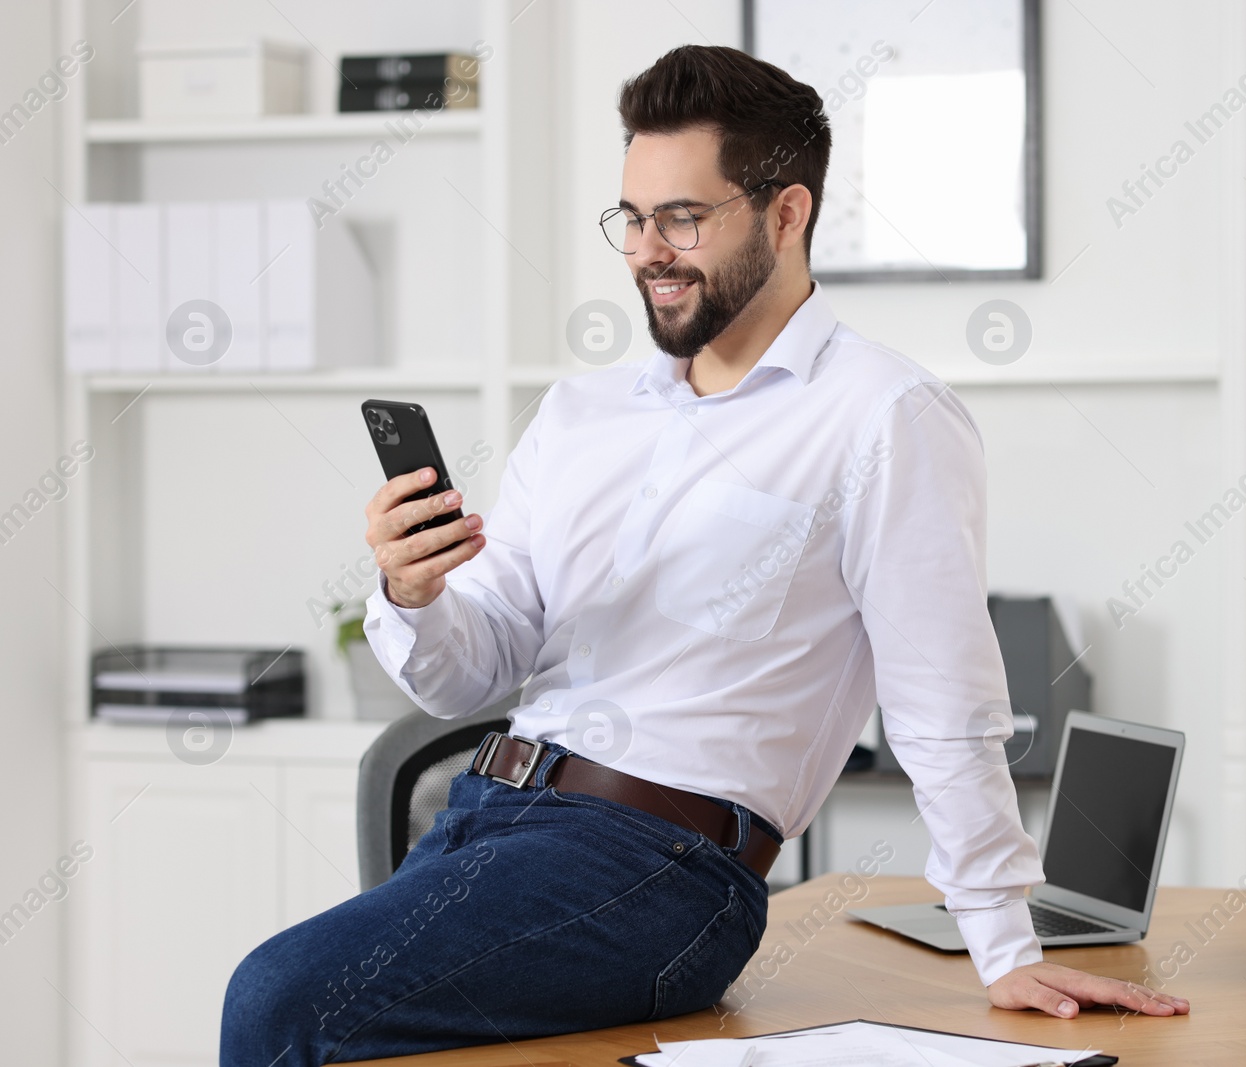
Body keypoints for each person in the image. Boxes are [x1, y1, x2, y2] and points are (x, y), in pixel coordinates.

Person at [219, 43, 1186, 1067]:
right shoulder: (581, 413)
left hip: (661, 866)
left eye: (682, 217)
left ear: (786, 212)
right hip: (485, 812)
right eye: (631, 219)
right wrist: (414, 594)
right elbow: (475, 667)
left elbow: (942, 698)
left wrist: (1003, 940)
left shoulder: (882, 416)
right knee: (329, 1013)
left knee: (280, 997)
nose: (648, 250)